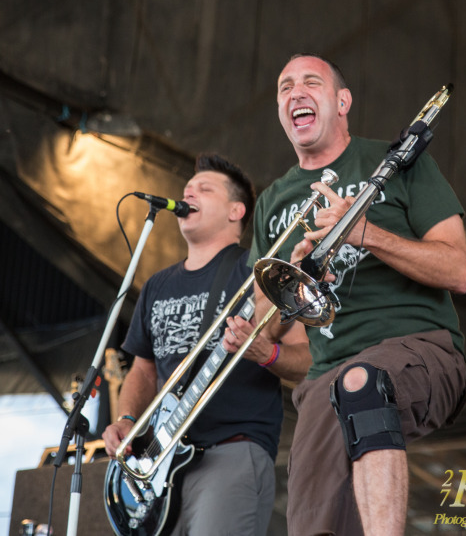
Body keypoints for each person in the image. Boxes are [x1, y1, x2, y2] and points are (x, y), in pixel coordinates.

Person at [247, 54, 466, 536]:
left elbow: (459, 271)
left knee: (362, 383)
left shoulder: (394, 164)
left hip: (420, 349)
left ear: (342, 101)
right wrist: (299, 275)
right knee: (312, 522)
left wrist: (366, 233)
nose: (295, 93)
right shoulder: (272, 202)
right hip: (324, 379)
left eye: (311, 82)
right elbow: (268, 324)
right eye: (285, 87)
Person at [102, 153, 311, 536]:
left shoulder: (256, 274)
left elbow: (306, 362)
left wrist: (267, 353)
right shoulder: (157, 285)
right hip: (161, 464)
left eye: (204, 188)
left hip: (230, 451)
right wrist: (128, 420)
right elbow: (144, 368)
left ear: (236, 210)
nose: (189, 193)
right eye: (186, 189)